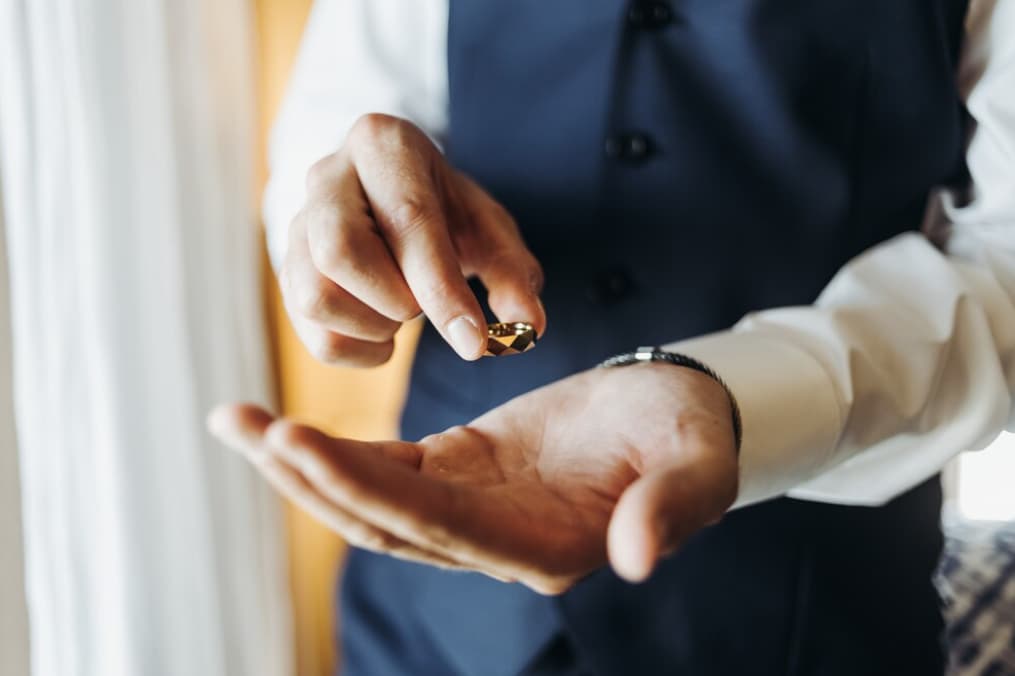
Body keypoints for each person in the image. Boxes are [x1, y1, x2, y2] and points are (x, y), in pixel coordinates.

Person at [209, 1, 1015, 673]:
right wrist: (343, 247)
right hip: (430, 613)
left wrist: (743, 395)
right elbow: (332, 135)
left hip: (802, 616)